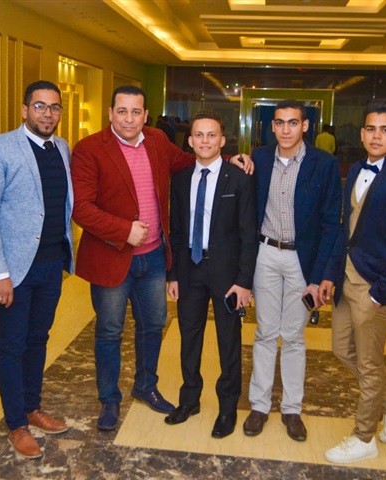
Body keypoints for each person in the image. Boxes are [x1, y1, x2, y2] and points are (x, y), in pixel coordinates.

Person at [70, 85, 253, 432]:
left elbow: (195, 158)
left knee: (153, 326)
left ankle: (146, 386)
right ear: (110, 113)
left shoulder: (156, 141)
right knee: (110, 331)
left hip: (154, 258)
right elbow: (81, 208)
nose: (129, 119)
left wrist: (230, 159)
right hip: (112, 257)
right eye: (122, 111)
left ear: (145, 115)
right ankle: (109, 400)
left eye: (136, 112)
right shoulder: (89, 149)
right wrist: (123, 230)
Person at [319, 99, 386, 464]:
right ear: (362, 133)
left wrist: (383, 291)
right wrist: (330, 274)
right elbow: (346, 229)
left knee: (368, 364)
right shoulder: (355, 170)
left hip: (375, 286)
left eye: (385, 129)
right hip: (346, 278)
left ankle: (364, 437)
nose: (376, 136)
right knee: (341, 350)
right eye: (370, 129)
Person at [0, 80, 74, 460]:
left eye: (54, 107)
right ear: (24, 110)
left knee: (39, 339)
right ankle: (16, 423)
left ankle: (32, 407)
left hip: (51, 264)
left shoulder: (63, 148)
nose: (47, 114)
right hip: (14, 270)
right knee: (11, 344)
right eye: (39, 106)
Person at [244, 99, 342, 443]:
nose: (286, 129)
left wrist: (321, 275)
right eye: (280, 123)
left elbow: (331, 224)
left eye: (293, 123)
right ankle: (259, 406)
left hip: (303, 260)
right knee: (265, 333)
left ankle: (291, 409)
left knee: (294, 336)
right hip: (266, 255)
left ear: (305, 126)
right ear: (272, 126)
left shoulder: (325, 164)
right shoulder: (258, 159)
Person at [165, 112, 256, 438]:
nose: (205, 140)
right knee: (189, 338)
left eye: (212, 135)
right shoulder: (180, 179)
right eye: (199, 135)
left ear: (222, 140)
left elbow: (248, 234)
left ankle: (227, 408)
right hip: (190, 271)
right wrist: (173, 275)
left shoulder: (239, 178)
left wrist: (244, 282)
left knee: (228, 342)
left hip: (227, 276)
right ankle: (189, 399)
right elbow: (176, 230)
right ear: (190, 140)